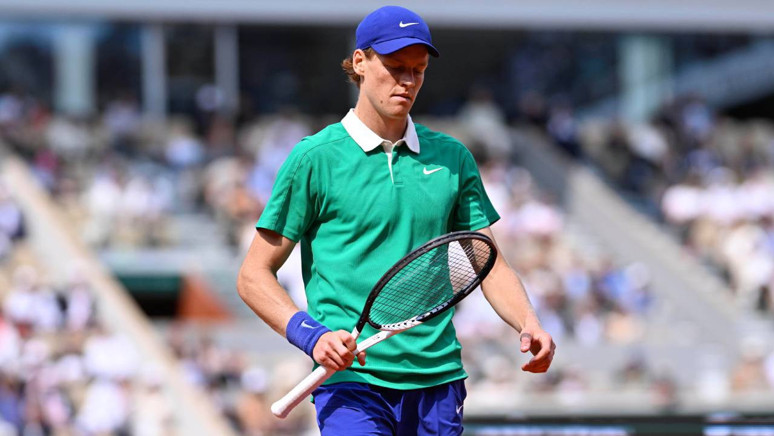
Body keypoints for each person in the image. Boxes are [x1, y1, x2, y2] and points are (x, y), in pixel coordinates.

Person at [237, 6, 555, 435]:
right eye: (395, 67)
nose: (407, 82)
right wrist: (311, 335)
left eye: (418, 71)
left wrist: (528, 321)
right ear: (360, 63)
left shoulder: (453, 158)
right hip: (353, 384)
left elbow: (486, 260)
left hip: (439, 381)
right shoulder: (313, 159)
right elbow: (253, 275)